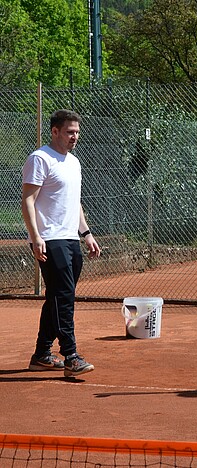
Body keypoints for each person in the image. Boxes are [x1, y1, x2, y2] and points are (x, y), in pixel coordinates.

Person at [21, 109, 101, 377]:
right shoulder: (40, 159)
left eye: (77, 132)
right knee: (63, 297)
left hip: (70, 238)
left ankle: (42, 354)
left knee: (58, 296)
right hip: (49, 239)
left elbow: (74, 202)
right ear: (55, 131)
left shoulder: (74, 163)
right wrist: (36, 237)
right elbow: (28, 200)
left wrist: (86, 233)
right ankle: (71, 356)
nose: (74, 136)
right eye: (69, 132)